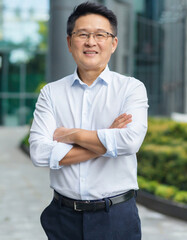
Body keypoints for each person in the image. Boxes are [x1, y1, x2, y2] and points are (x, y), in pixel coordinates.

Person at [29, 2, 148, 240]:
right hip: (63, 217)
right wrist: (106, 138)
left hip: (115, 217)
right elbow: (39, 153)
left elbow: (129, 143)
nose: (91, 42)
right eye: (82, 34)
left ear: (113, 43)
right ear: (69, 42)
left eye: (100, 35)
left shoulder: (131, 88)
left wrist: (71, 135)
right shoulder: (51, 93)